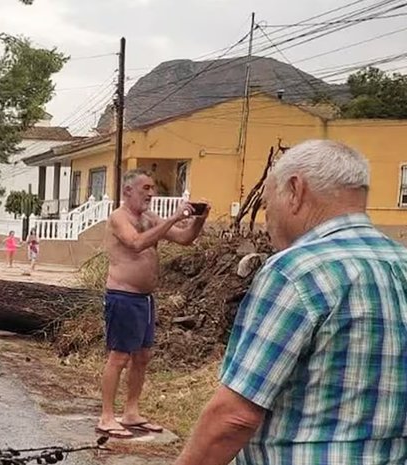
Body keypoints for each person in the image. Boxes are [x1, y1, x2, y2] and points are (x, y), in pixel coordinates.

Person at [175, 140, 407, 465]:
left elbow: (234, 418)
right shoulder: (400, 262)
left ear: (295, 190)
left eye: (269, 204)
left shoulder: (296, 272)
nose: (267, 220)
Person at [96, 168, 209, 439]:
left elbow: (184, 238)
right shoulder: (118, 218)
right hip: (123, 296)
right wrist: (173, 217)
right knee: (119, 357)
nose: (151, 193)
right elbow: (135, 244)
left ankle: (131, 412)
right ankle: (107, 416)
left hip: (145, 299)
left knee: (143, 357)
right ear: (128, 191)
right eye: (145, 188)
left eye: (152, 188)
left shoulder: (149, 218)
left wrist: (198, 220)